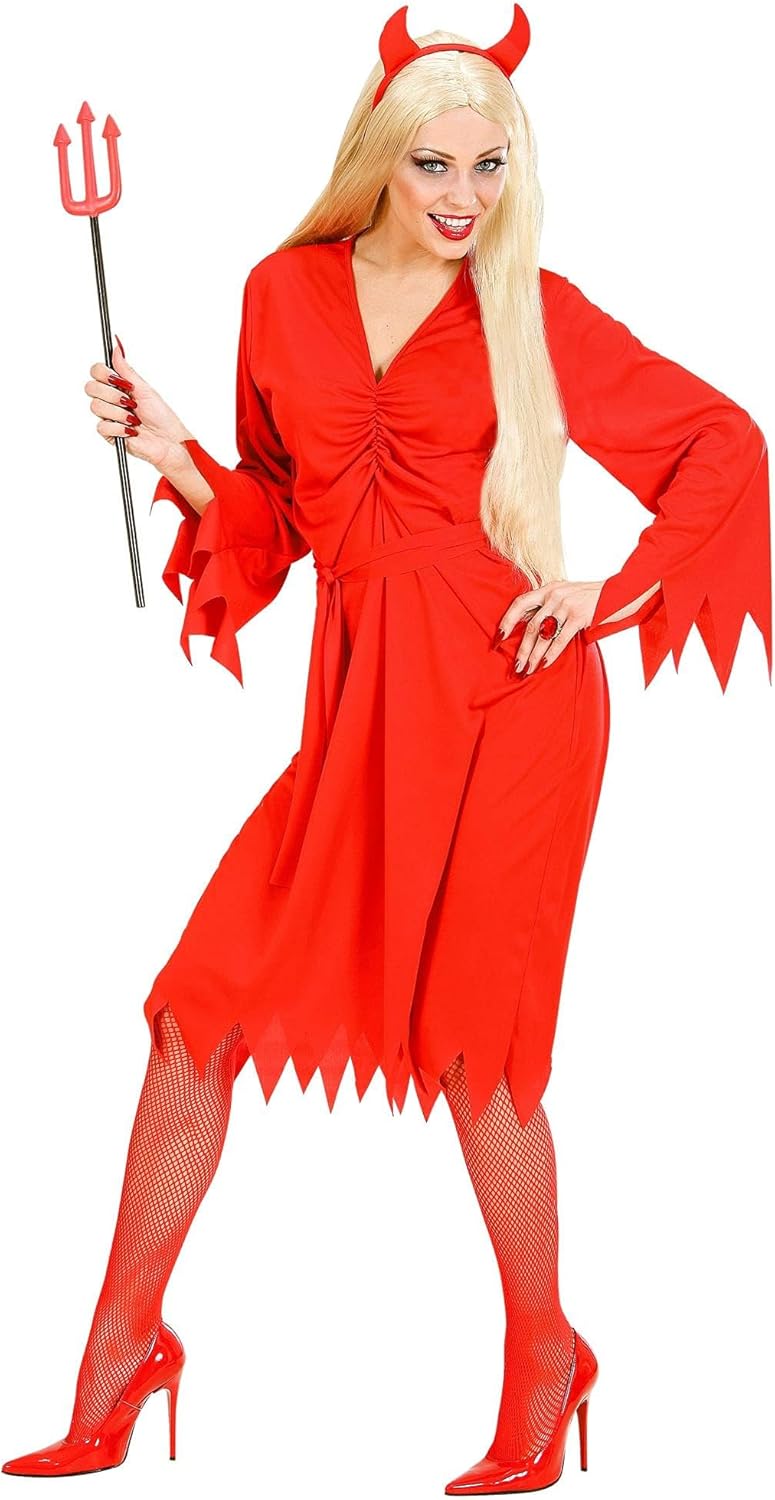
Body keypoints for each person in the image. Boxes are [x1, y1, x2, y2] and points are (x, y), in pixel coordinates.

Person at [3, 4, 771, 1492]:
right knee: (197, 1007)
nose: (463, 196)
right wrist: (169, 447)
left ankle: (545, 1363)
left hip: (512, 712)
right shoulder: (281, 293)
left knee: (482, 1054)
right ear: (377, 154)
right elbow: (281, 514)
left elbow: (722, 447)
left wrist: (602, 592)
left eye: (491, 165)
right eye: (433, 163)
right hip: (360, 720)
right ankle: (120, 1356)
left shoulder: (528, 308)